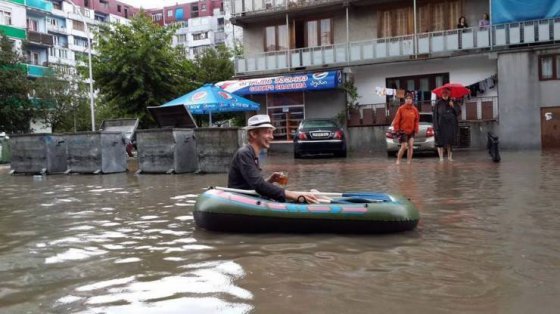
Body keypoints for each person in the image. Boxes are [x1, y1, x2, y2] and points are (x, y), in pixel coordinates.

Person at [228, 114, 319, 204]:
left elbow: (254, 184)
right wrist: (295, 195)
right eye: (268, 132)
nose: (272, 137)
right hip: (239, 200)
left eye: (271, 132)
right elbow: (258, 186)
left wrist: (270, 180)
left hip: (249, 197)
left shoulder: (252, 153)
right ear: (254, 134)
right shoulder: (244, 153)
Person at [433, 88, 461, 161]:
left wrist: (453, 106)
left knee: (450, 141)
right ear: (441, 94)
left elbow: (458, 112)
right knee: (440, 142)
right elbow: (435, 116)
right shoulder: (438, 103)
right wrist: (436, 127)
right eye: (443, 94)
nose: (445, 95)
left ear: (448, 94)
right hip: (441, 125)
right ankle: (441, 158)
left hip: (451, 125)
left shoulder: (453, 102)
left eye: (446, 93)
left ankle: (450, 157)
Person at [392, 93, 420, 165]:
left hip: (412, 130)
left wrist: (416, 129)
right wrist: (396, 130)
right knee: (404, 146)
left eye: (410, 99)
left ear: (412, 100)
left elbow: (416, 120)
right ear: (405, 100)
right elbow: (396, 120)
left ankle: (409, 162)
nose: (408, 100)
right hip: (403, 130)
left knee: (411, 145)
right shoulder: (401, 109)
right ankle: (398, 160)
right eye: (407, 99)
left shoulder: (414, 109)